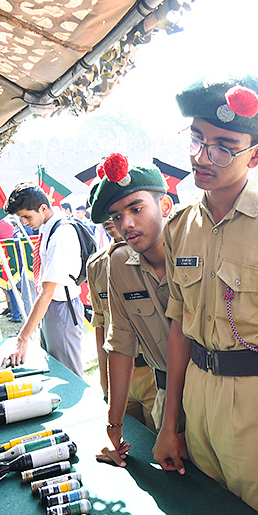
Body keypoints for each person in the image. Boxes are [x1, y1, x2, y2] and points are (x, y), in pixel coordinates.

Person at [153, 75, 258, 515]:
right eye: (197, 139)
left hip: (255, 405)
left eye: (224, 146)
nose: (203, 157)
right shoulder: (180, 226)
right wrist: (171, 422)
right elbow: (179, 328)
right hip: (196, 397)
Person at [87, 154, 174, 464]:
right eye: (116, 216)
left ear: (165, 206)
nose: (126, 224)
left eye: (136, 209)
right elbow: (120, 342)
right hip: (163, 392)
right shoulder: (119, 263)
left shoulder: (196, 249)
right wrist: (113, 428)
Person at [2, 183, 86, 376]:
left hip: (62, 307)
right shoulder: (48, 226)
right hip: (52, 307)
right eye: (21, 218)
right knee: (55, 369)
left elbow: (47, 291)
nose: (24, 223)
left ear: (43, 208)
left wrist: (22, 339)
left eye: (26, 216)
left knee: (69, 375)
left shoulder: (61, 233)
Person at [86, 211, 156, 432]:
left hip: (153, 375)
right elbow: (100, 323)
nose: (109, 220)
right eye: (104, 213)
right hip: (120, 376)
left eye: (114, 211)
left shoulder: (155, 258)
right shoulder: (96, 265)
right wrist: (105, 378)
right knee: (131, 444)